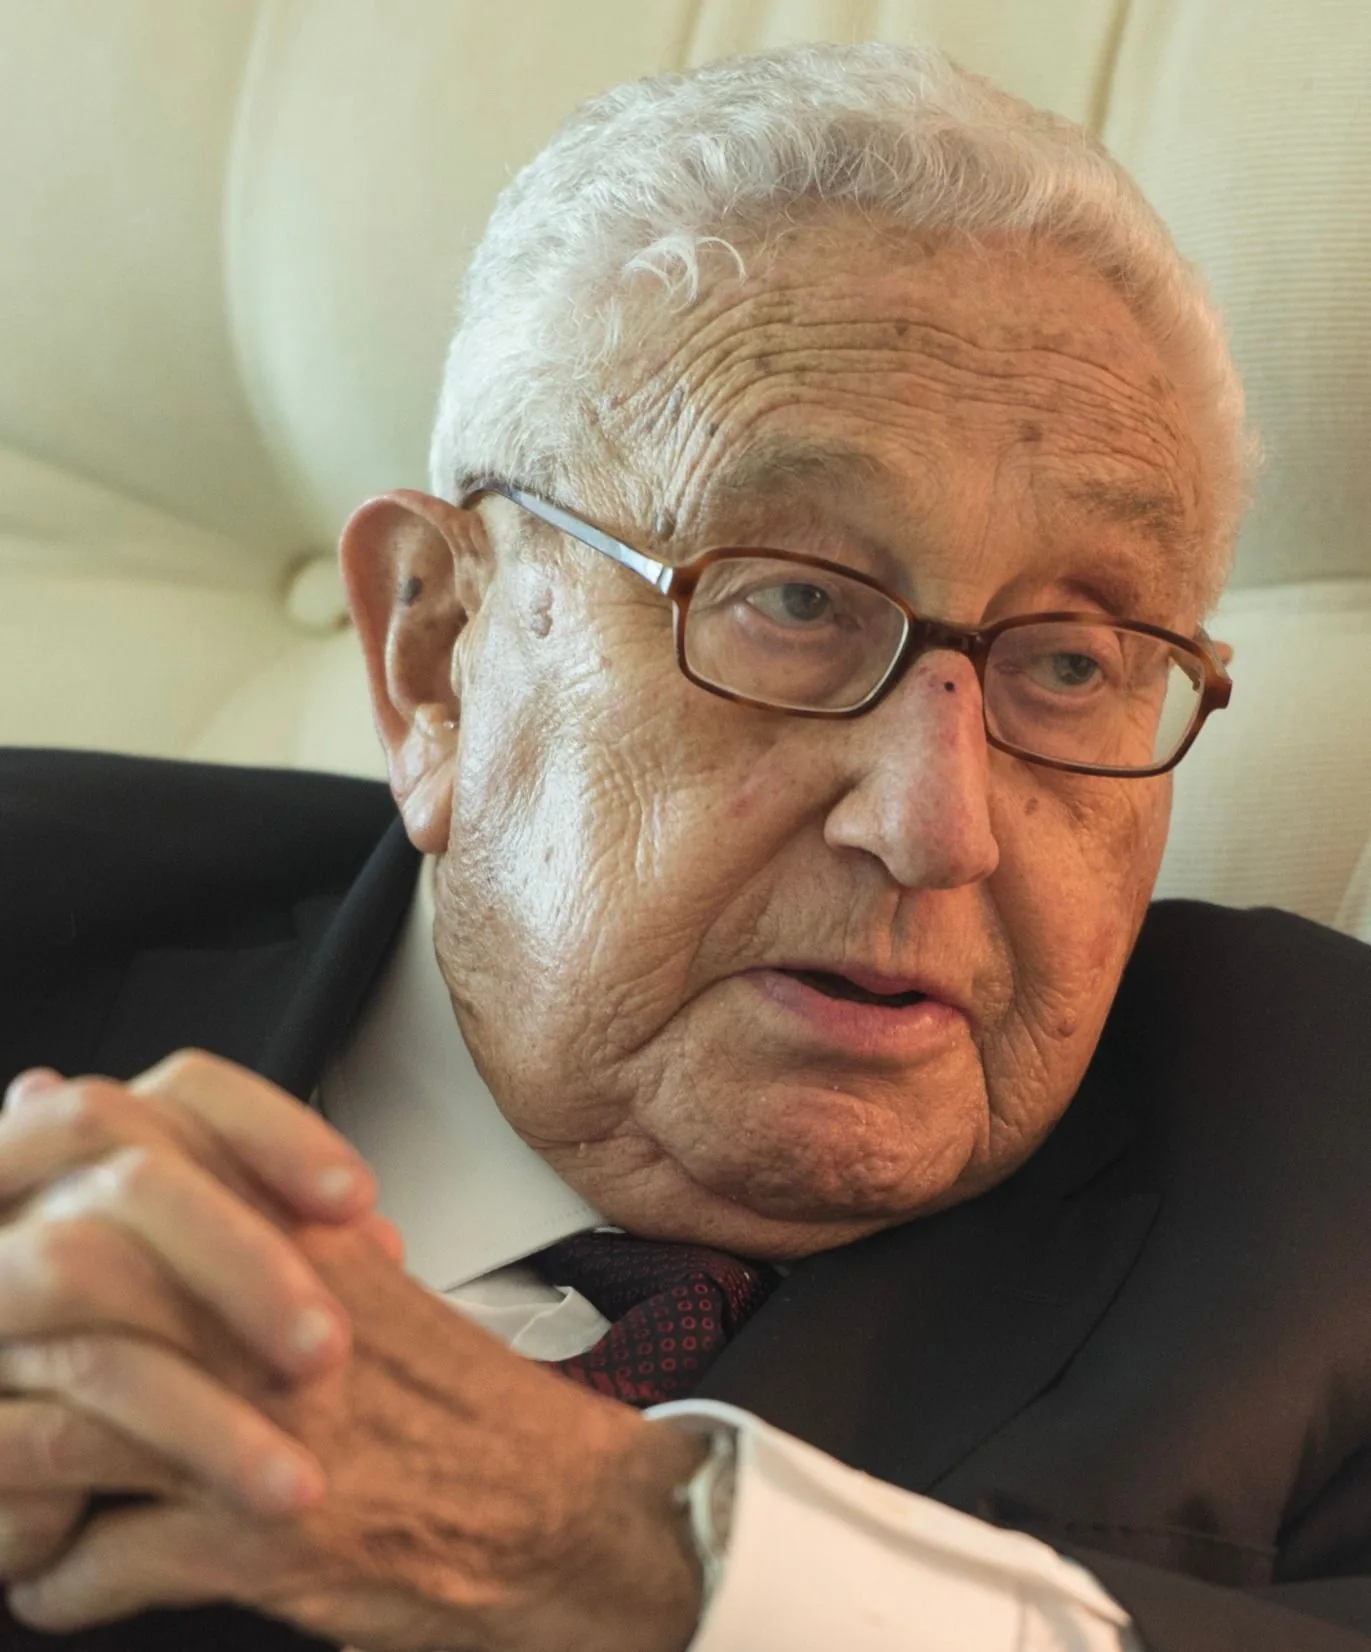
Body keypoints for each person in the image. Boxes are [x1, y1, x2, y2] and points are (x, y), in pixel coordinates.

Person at [1, 37, 1369, 1652]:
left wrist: (637, 1556)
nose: (935, 829)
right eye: (790, 600)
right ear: (435, 657)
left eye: (1070, 661)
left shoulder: (1316, 1160)